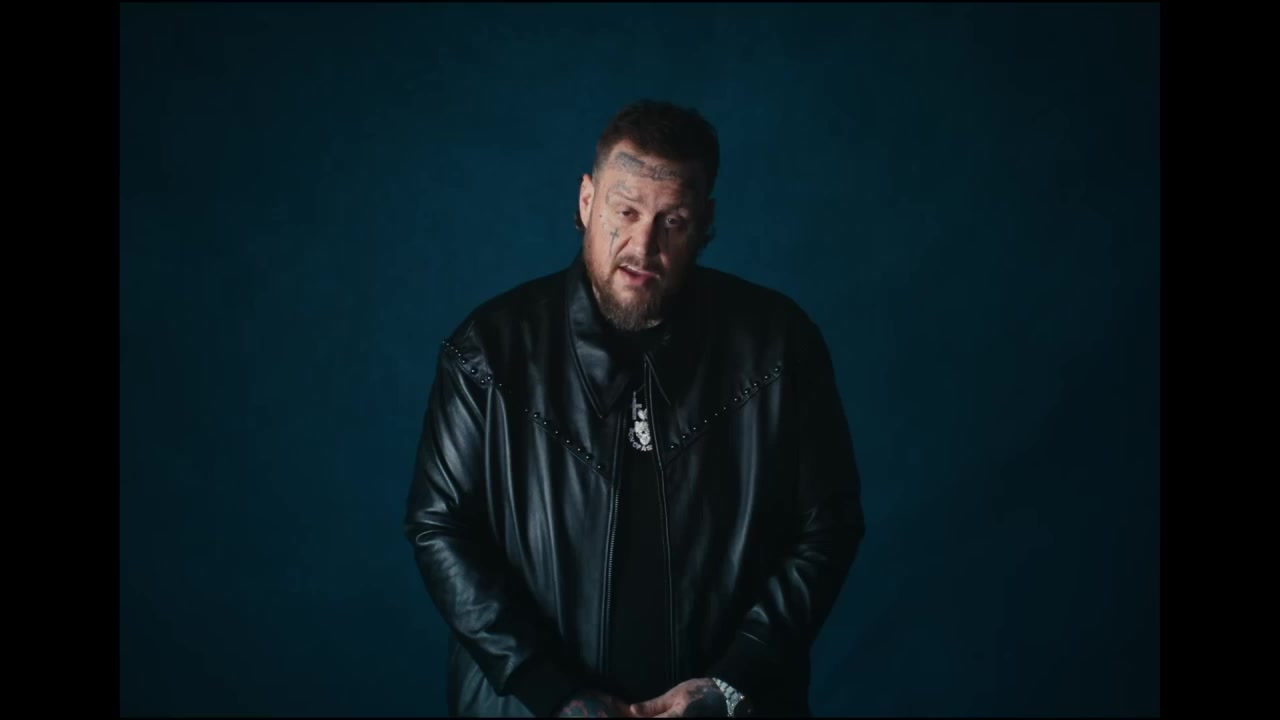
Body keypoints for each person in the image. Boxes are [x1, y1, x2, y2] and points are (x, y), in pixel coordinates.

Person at [404, 99, 865, 718]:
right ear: (586, 201)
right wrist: (550, 692)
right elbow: (439, 526)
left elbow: (827, 527)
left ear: (706, 222)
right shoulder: (487, 351)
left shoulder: (780, 348)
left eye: (672, 220)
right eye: (625, 212)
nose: (643, 246)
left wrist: (733, 684)